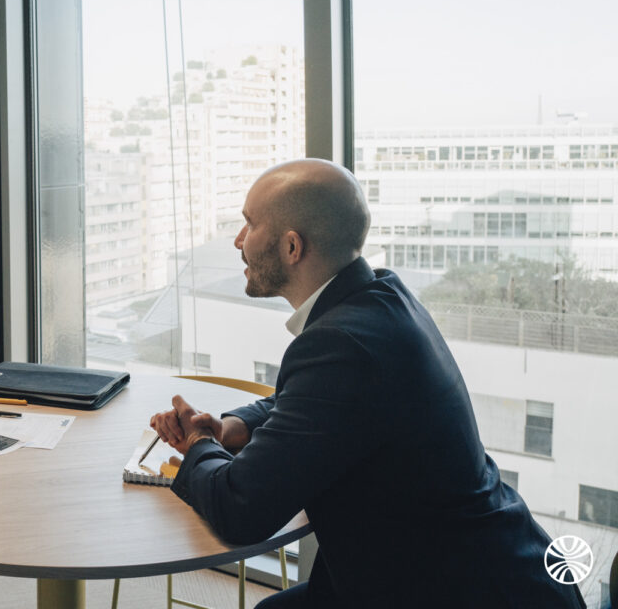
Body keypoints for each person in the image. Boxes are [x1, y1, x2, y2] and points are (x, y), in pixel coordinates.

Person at [150, 159, 585, 608]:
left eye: (249, 224)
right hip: (469, 565)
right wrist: (233, 427)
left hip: (461, 591)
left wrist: (199, 441)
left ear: (292, 246)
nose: (238, 241)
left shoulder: (339, 345)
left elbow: (239, 510)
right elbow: (305, 402)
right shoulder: (381, 298)